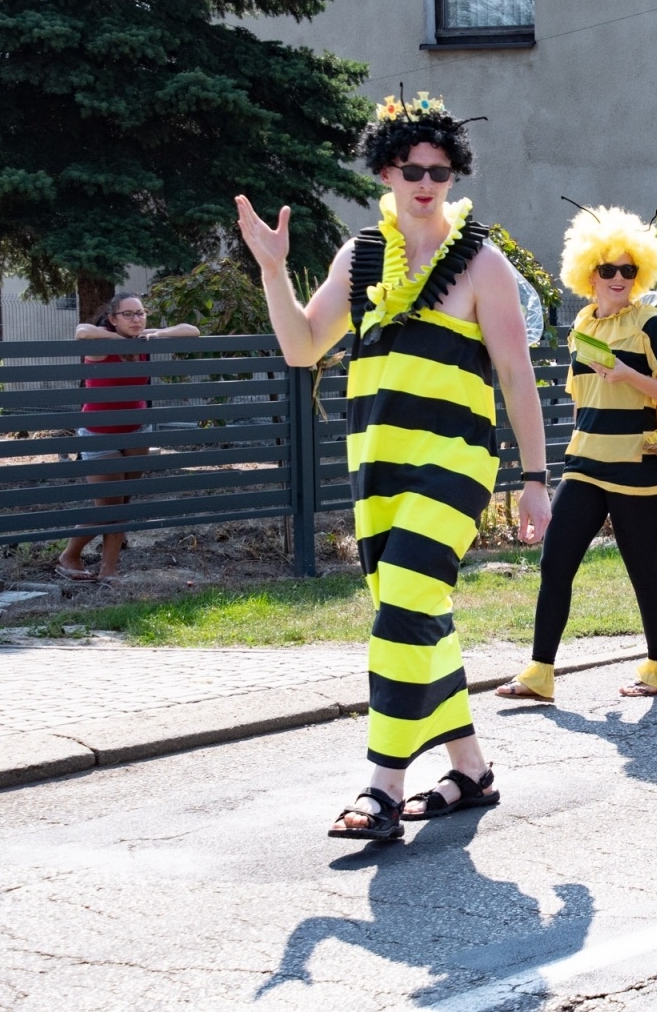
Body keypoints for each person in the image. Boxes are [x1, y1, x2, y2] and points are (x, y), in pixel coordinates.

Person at [235, 92, 552, 839]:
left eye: (440, 172)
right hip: (377, 461)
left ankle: (381, 787)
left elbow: (516, 376)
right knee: (414, 613)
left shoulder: (482, 264)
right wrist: (273, 272)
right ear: (386, 172)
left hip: (455, 460)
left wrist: (536, 482)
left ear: (454, 176)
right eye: (412, 170)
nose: (426, 183)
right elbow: (302, 347)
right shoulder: (358, 259)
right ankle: (471, 770)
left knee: (404, 605)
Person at [496, 205, 657, 703]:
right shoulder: (583, 325)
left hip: (636, 468)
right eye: (608, 269)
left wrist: (629, 376)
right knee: (555, 564)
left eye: (629, 269)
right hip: (584, 464)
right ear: (589, 273)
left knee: (643, 570)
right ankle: (540, 673)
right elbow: (582, 399)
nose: (618, 278)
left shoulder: (650, 325)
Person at [55, 293, 200, 585]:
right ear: (112, 319)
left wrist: (156, 334)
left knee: (124, 503)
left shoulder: (143, 339)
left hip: (136, 430)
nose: (137, 319)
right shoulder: (102, 344)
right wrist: (120, 339)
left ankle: (109, 569)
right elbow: (82, 331)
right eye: (128, 314)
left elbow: (191, 330)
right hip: (99, 434)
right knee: (108, 506)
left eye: (141, 313)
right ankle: (69, 556)